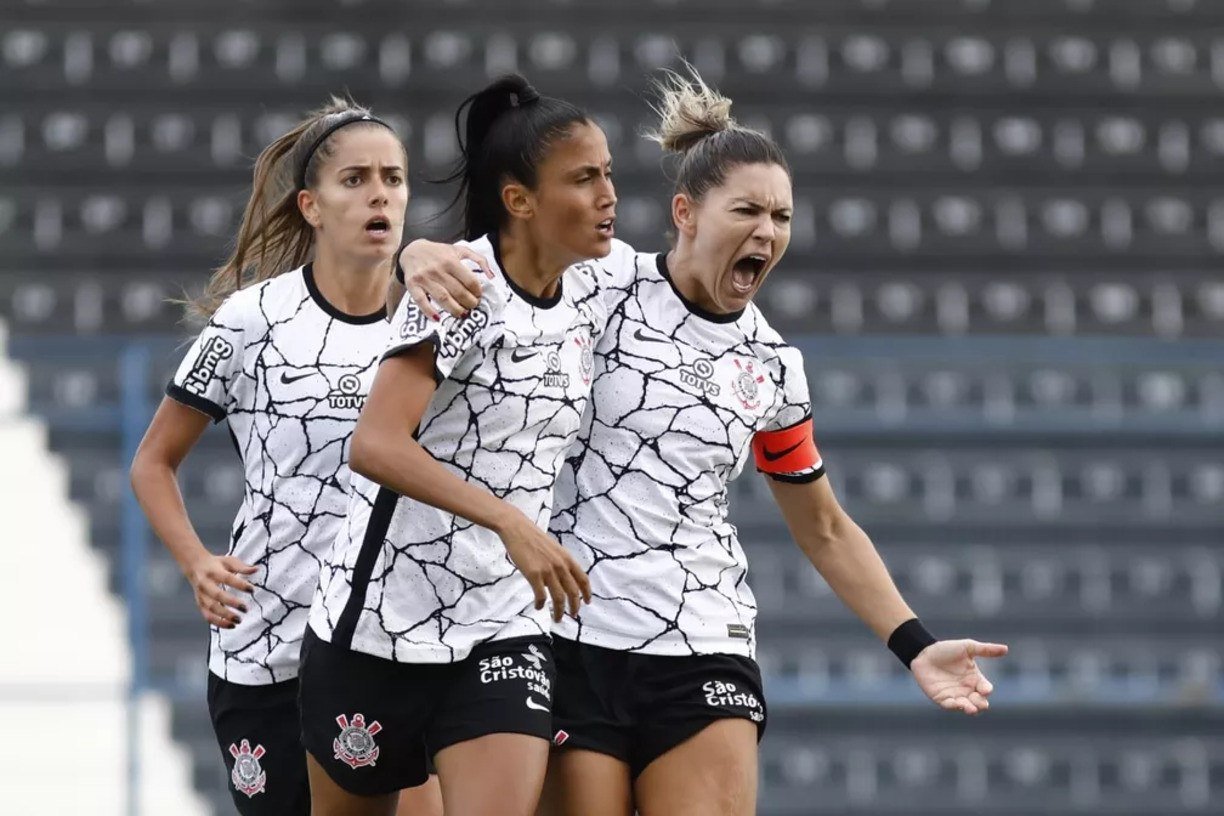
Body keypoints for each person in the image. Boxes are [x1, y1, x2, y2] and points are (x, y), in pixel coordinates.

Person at [396, 70, 1009, 816]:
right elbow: (494, 265)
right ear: (685, 212)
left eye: (782, 217)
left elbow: (822, 525)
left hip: (704, 639)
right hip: (568, 631)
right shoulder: (600, 281)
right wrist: (416, 253)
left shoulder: (773, 366)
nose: (768, 231)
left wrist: (915, 644)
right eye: (747, 210)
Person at [297, 75, 616, 816]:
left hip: (503, 628)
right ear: (519, 200)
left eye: (609, 175)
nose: (608, 194)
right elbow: (375, 445)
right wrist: (508, 521)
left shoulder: (597, 285)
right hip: (375, 628)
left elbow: (686, 271)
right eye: (585, 178)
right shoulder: (463, 288)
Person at [129, 99, 441, 816]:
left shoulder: (433, 325)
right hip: (268, 644)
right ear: (311, 205)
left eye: (393, 179)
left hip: (391, 643)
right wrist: (197, 562)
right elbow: (153, 462)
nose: (379, 195)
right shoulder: (251, 321)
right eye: (355, 179)